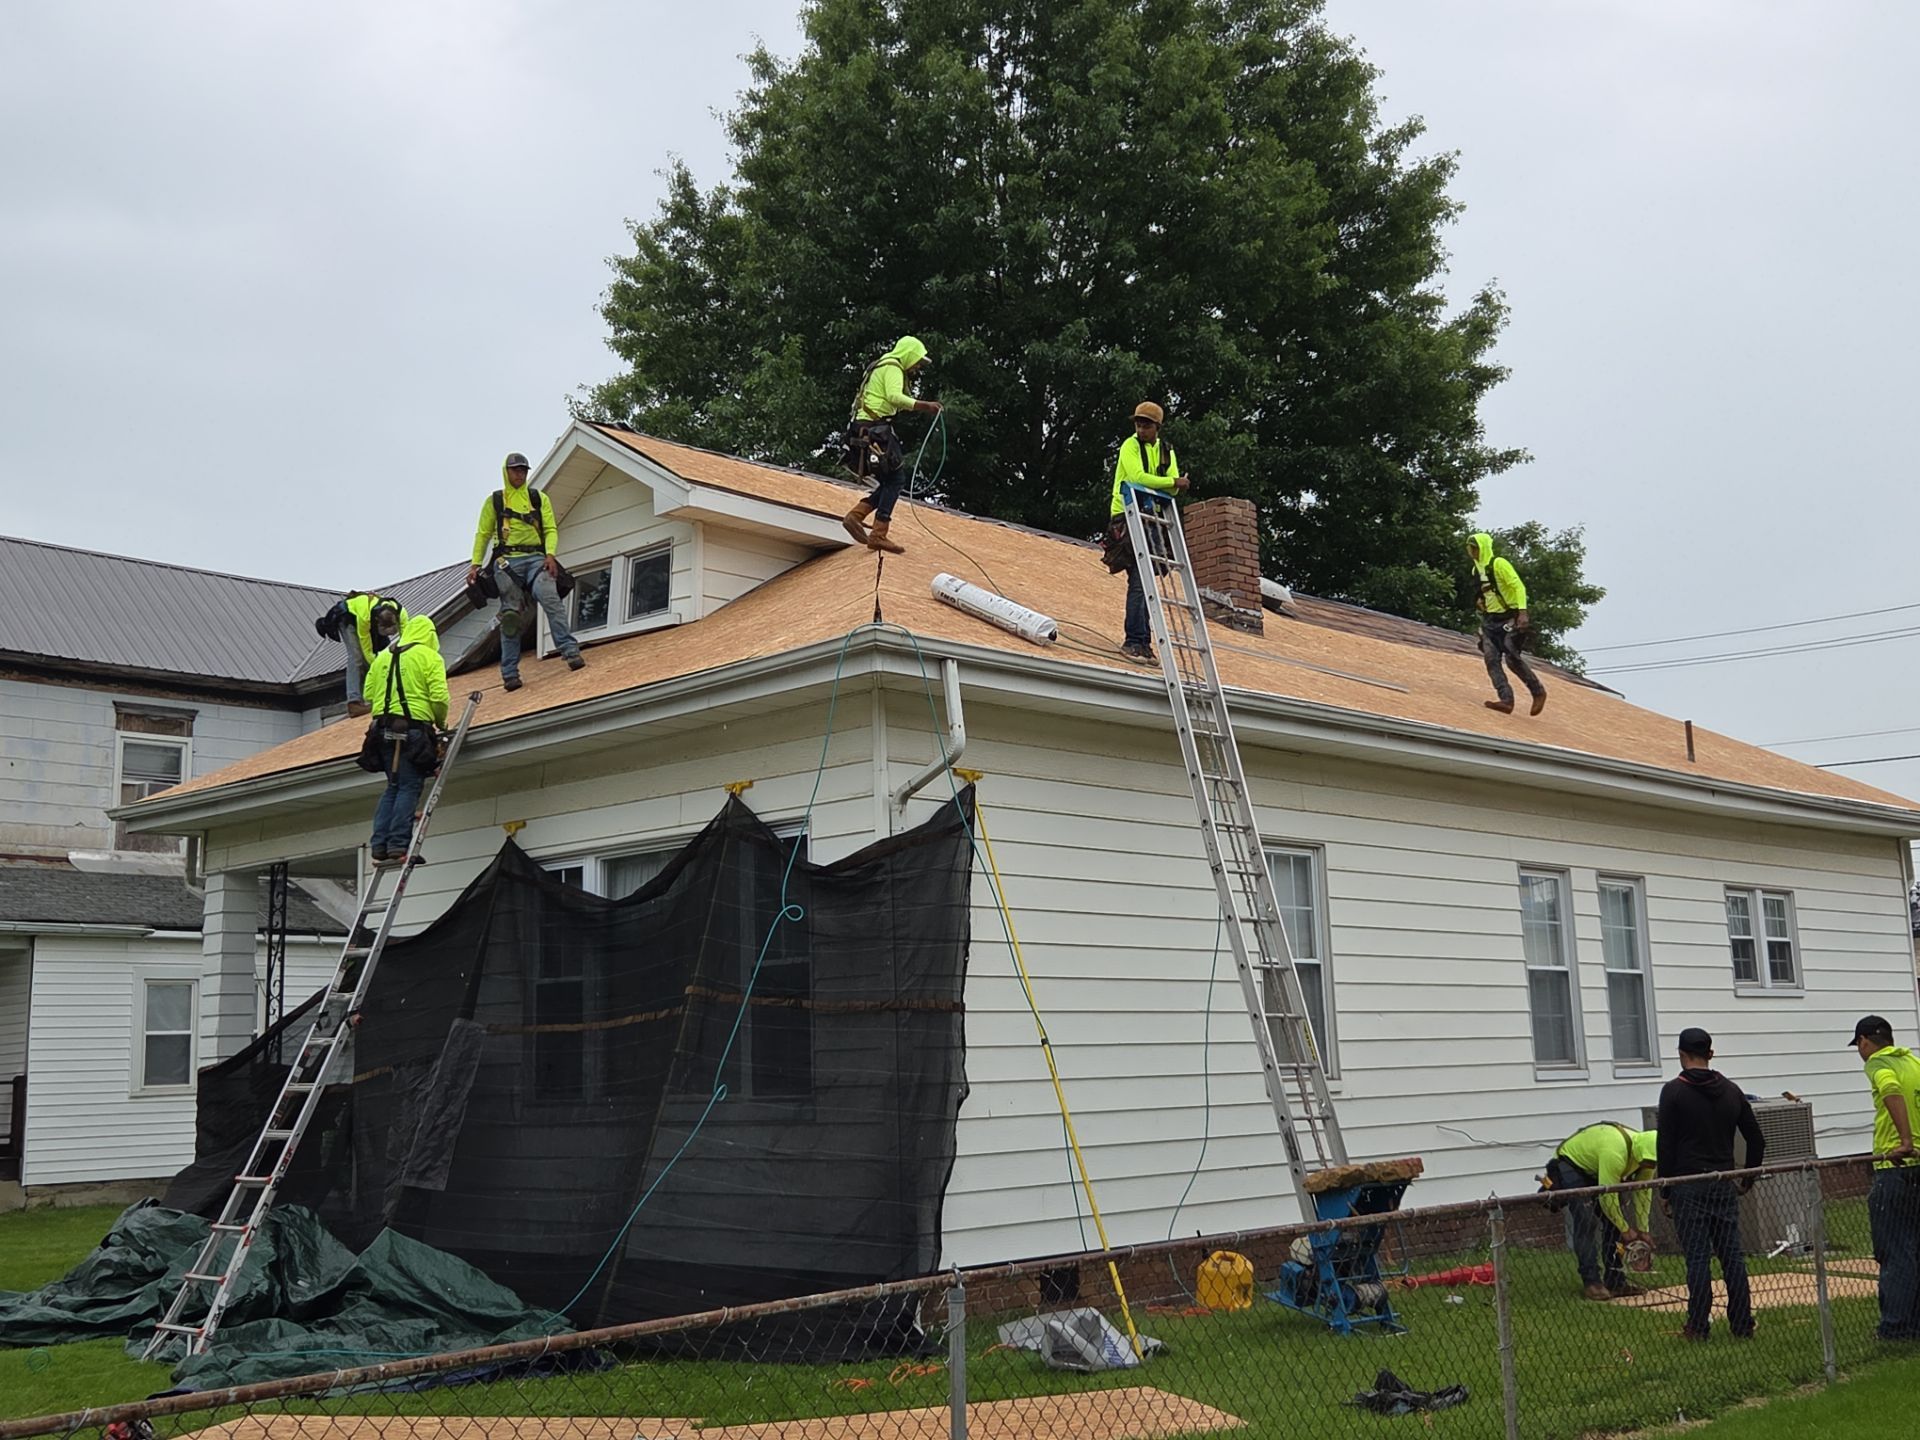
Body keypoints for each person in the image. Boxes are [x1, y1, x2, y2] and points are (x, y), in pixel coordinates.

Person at [1656, 1027, 1764, 1340]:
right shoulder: (1731, 1091)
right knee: (1732, 1255)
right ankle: (1742, 1324)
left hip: (1688, 1184)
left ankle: (1698, 1326)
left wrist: (1665, 1189)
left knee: (1698, 1257)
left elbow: (1666, 1146)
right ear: (1711, 1054)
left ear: (1681, 1054)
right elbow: (1756, 1139)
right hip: (1723, 1182)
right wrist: (1748, 1177)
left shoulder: (1674, 1092)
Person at [467, 453, 584, 692]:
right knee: (511, 615)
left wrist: (550, 555)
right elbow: (483, 534)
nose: (519, 474)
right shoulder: (496, 501)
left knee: (550, 598)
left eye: (523, 470)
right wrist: (475, 564)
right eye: (515, 470)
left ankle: (570, 651)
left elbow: (550, 528)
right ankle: (509, 673)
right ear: (506, 472)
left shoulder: (538, 499)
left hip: (536, 559)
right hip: (506, 562)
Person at [1849, 1015, 1920, 1340]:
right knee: (1914, 1246)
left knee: (1894, 1249)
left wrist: (1904, 1141)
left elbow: (1890, 1089)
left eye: (1859, 1045)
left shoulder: (1878, 1063)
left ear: (1865, 1041)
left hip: (1895, 1169)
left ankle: (1896, 1326)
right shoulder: (1914, 1063)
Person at [1103, 402, 1190, 663]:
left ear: (1157, 427)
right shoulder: (1129, 446)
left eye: (1146, 425)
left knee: (1146, 582)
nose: (1140, 429)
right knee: (1140, 580)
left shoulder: (1166, 451)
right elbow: (1138, 477)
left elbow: (1172, 491)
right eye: (1138, 424)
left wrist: (1171, 484)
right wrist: (1173, 482)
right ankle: (1134, 640)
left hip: (1152, 520)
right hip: (1127, 518)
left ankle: (1142, 642)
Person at [362, 614, 448, 865]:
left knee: (393, 786)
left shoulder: (383, 657)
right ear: (429, 635)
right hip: (412, 729)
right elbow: (439, 697)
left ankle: (379, 845)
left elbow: (369, 692)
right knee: (409, 787)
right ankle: (398, 845)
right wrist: (441, 723)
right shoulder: (428, 656)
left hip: (381, 731)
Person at [842, 337, 940, 555]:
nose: (916, 367)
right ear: (908, 354)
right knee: (895, 479)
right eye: (916, 362)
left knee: (889, 481)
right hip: (875, 430)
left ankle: (857, 516)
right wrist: (925, 406)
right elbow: (894, 397)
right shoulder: (894, 367)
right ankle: (878, 533)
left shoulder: (881, 365)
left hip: (863, 428)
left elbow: (885, 399)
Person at [1547, 1121, 1658, 1300]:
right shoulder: (1615, 1152)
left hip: (1597, 1169)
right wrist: (1625, 1229)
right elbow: (1608, 1197)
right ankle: (1592, 1283)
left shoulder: (1648, 1159)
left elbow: (1643, 1192)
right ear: (1639, 1153)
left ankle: (1616, 1282)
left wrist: (1643, 1230)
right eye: (1646, 1162)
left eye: (1652, 1164)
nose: (1649, 1166)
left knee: (1613, 1224)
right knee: (1587, 1220)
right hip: (1572, 1165)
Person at [1467, 532, 1547, 716]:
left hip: (1510, 617)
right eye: (1471, 548)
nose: (1473, 552)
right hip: (1490, 620)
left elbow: (1518, 586)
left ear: (1484, 548)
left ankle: (1538, 692)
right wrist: (1480, 601)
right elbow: (1482, 594)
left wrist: (1523, 612)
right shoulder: (1476, 571)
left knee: (1511, 656)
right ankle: (1506, 700)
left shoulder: (1499, 564)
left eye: (1476, 548)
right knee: (1491, 659)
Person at [315, 592, 406, 717]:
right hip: (348, 618)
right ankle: (354, 702)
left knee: (386, 655)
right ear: (377, 622)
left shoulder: (401, 612)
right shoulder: (365, 618)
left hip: (370, 621)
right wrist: (377, 666)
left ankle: (381, 694)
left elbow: (407, 638)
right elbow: (366, 650)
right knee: (357, 658)